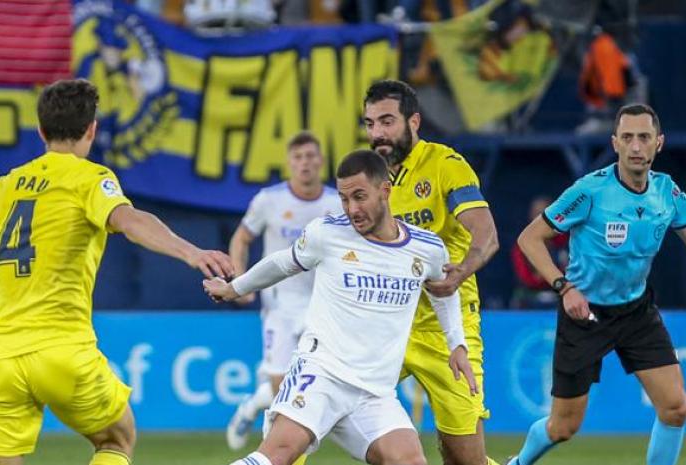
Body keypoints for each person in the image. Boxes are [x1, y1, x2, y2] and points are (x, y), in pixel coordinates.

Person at [0, 79, 235, 465]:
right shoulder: (90, 179)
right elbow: (129, 220)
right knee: (116, 437)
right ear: (92, 129)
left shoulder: (5, 187)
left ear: (40, 131)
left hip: (2, 356)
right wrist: (190, 251)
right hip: (62, 348)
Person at [205, 150, 477, 465]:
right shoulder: (327, 233)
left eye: (360, 197)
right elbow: (283, 263)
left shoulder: (427, 248)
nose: (352, 209)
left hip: (375, 393)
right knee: (276, 456)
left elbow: (444, 292)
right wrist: (234, 287)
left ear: (385, 191)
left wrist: (456, 343)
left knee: (411, 461)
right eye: (345, 199)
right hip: (322, 374)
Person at [508, 103, 686, 465]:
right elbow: (529, 238)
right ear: (615, 143)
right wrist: (565, 288)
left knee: (675, 409)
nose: (636, 146)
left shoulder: (668, 193)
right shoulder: (589, 192)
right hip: (584, 314)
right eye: (628, 138)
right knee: (563, 427)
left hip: (636, 311)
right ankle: (517, 463)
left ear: (659, 143)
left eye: (644, 137)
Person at [362, 80, 500, 465]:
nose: (378, 133)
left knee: (464, 459)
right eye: (370, 123)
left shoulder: (445, 166)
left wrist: (461, 272)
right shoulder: (369, 178)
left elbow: (486, 234)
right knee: (319, 407)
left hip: (447, 328)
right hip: (387, 326)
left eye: (387, 121)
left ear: (414, 121)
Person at [225, 131, 343, 450]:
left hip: (321, 304)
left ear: (321, 160)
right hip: (279, 303)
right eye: (298, 157)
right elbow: (241, 238)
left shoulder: (336, 203)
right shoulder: (270, 200)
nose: (305, 163)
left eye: (310, 156)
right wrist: (240, 279)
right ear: (289, 163)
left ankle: (286, 441)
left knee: (315, 379)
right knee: (281, 388)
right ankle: (253, 407)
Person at [510, 196, 568, 309]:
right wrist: (552, 276)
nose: (539, 219)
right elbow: (526, 279)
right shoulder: (522, 244)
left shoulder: (564, 242)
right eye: (536, 213)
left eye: (543, 214)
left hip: (561, 295)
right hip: (529, 299)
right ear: (530, 215)